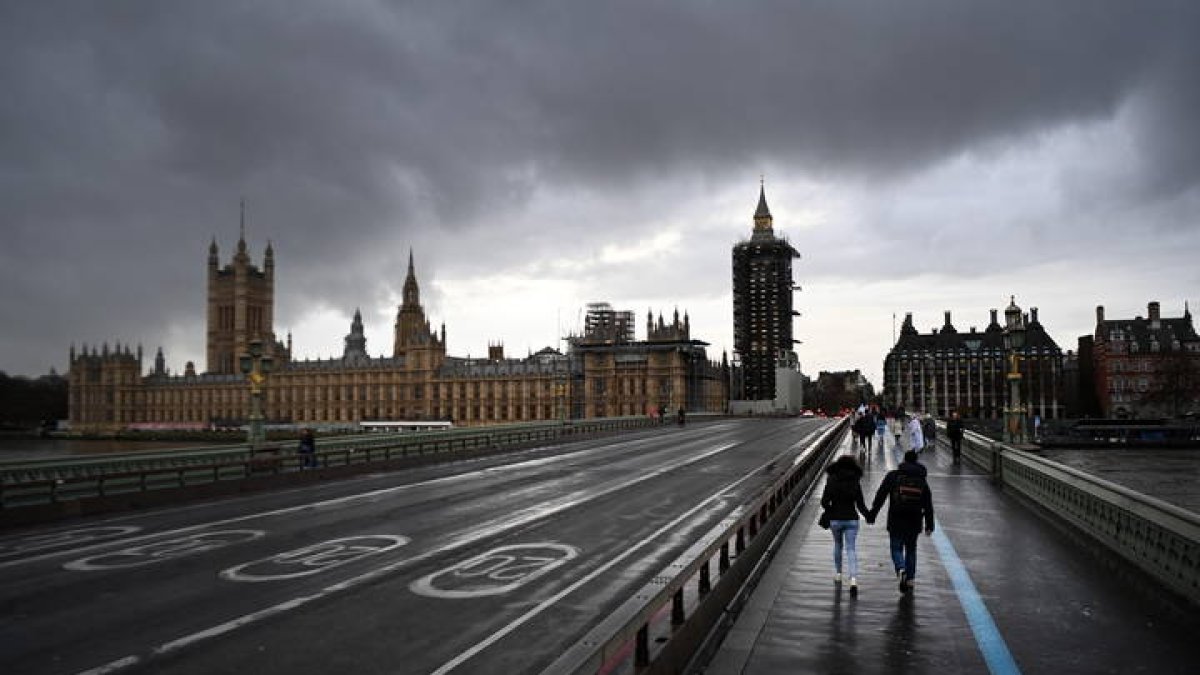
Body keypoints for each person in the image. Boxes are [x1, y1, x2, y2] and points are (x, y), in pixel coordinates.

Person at [869, 450, 935, 594]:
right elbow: (928, 504)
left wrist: (872, 514)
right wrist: (930, 525)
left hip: (896, 518)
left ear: (904, 460)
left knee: (896, 547)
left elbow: (881, 495)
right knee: (911, 549)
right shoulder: (922, 480)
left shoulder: (893, 476)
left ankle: (901, 569)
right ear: (917, 461)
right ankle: (910, 580)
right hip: (915, 520)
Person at [820, 454, 872, 596]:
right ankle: (853, 579)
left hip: (836, 520)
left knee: (838, 545)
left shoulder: (831, 480)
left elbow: (824, 502)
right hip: (852, 520)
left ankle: (838, 574)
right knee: (851, 549)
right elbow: (860, 504)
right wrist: (869, 516)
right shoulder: (855, 480)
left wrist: (831, 510)